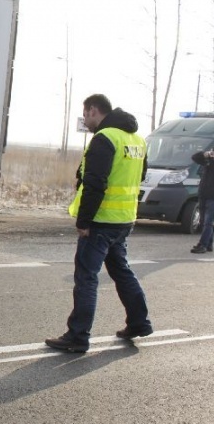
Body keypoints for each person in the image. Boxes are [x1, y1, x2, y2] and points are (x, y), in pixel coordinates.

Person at [45, 94, 152, 353]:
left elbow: (95, 183)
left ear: (94, 110)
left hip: (101, 221)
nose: (85, 120)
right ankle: (139, 322)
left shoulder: (104, 139)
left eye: (85, 114)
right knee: (121, 271)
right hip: (124, 219)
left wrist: (84, 221)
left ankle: (78, 336)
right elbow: (141, 175)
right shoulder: (137, 140)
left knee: (86, 277)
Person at [190, 145, 214, 253]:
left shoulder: (213, 164)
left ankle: (202, 245)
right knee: (203, 221)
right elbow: (195, 158)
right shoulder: (209, 161)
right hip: (203, 194)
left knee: (208, 222)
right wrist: (205, 154)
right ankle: (209, 244)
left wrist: (210, 161)